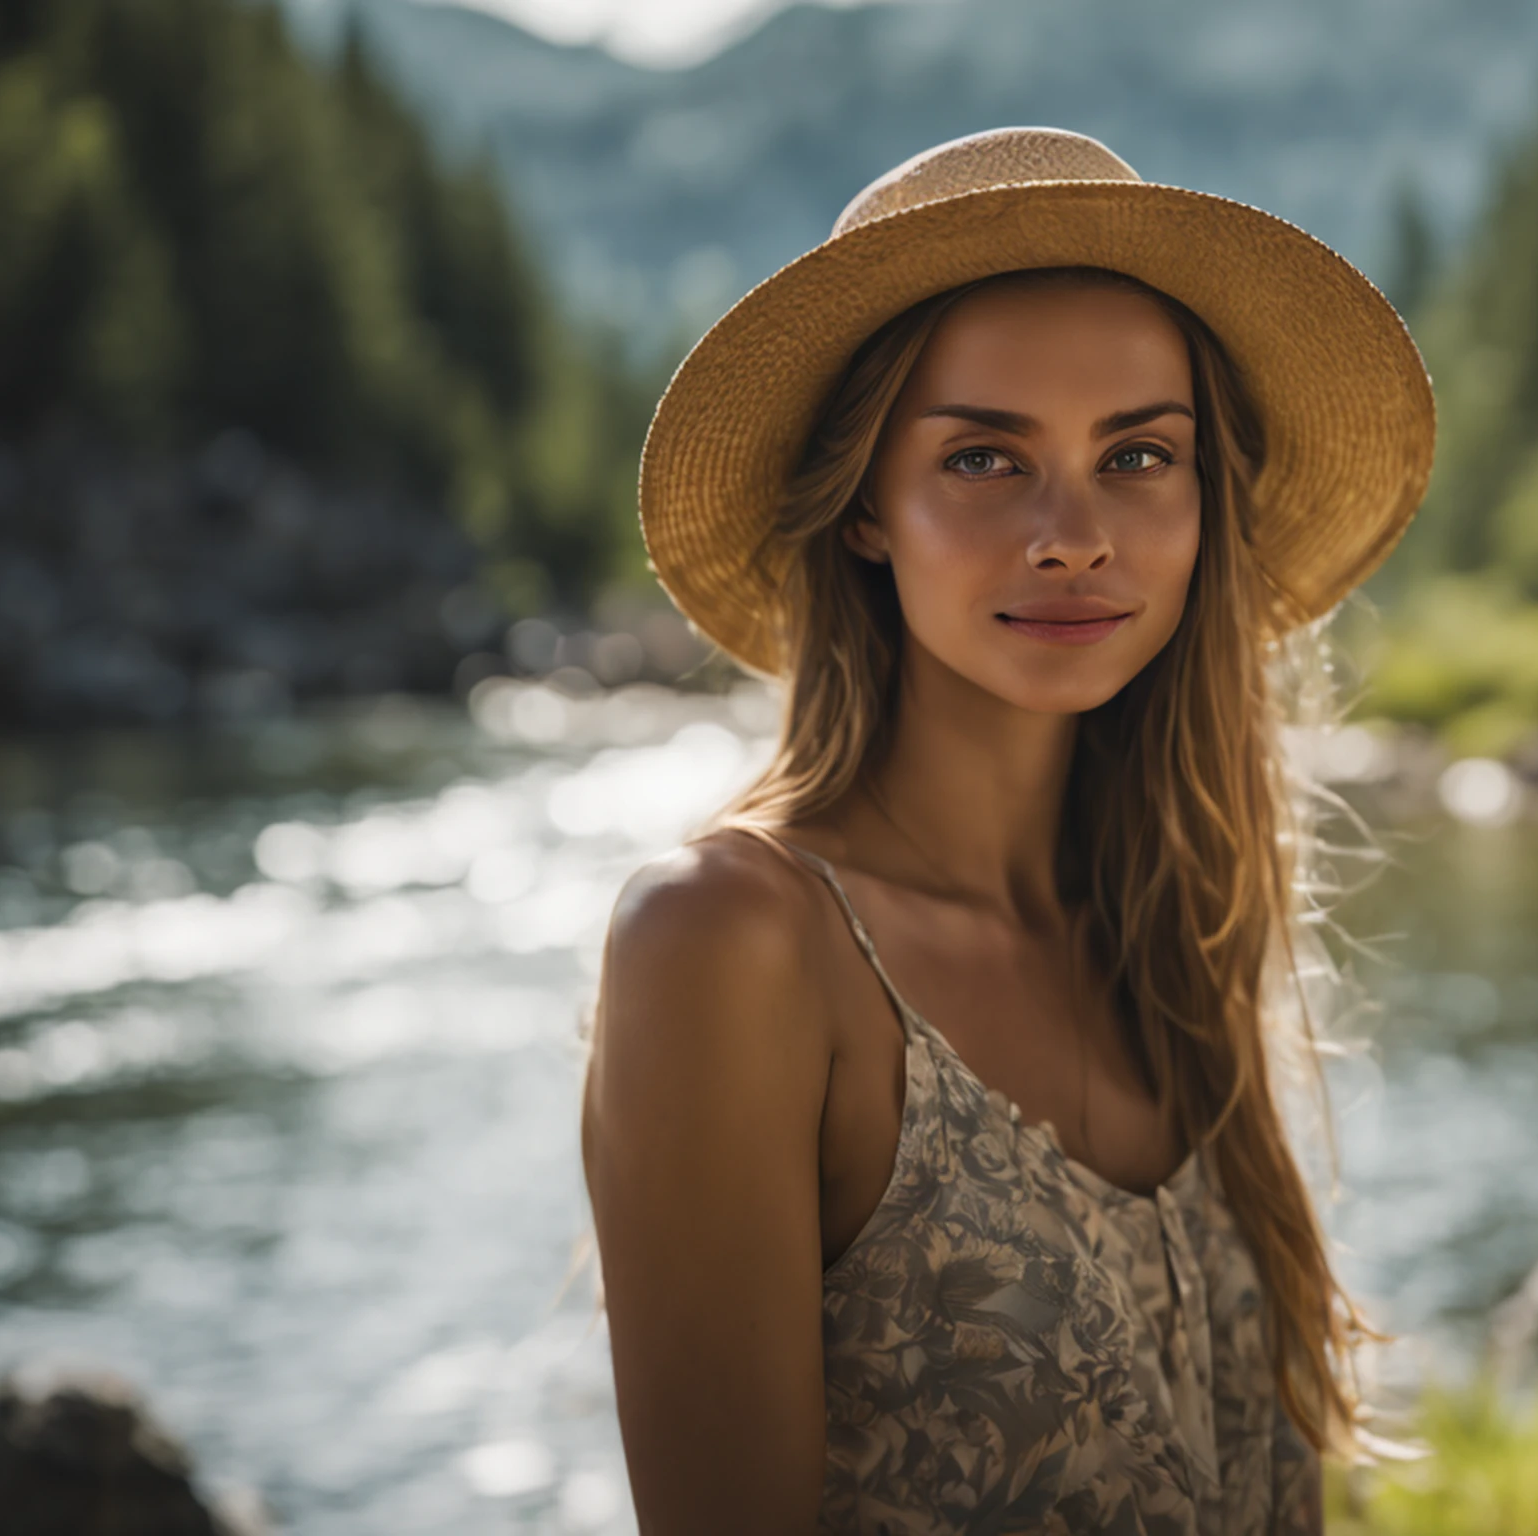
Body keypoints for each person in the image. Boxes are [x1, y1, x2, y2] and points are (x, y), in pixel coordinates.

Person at [579, 126, 1434, 1534]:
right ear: (864, 505)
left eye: (1139, 453)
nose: (1073, 534)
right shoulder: (728, 943)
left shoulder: (1171, 931)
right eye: (985, 459)